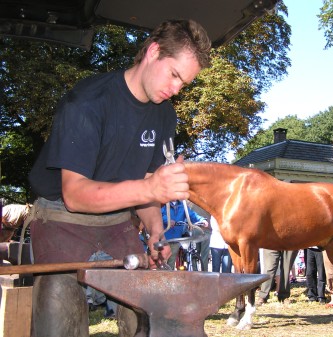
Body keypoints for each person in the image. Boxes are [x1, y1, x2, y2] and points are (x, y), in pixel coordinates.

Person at [27, 19, 211, 337]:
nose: (177, 89)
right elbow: (75, 194)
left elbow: (146, 191)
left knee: (156, 314)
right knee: (60, 316)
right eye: (175, 75)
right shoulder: (87, 102)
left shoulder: (164, 114)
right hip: (60, 217)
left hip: (117, 225)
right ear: (153, 52)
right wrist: (150, 187)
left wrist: (156, 231)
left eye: (185, 83)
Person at [161, 200, 209, 270]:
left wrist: (202, 220)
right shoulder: (164, 204)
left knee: (171, 264)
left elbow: (192, 215)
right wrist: (168, 220)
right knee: (163, 263)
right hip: (165, 239)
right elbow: (159, 215)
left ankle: (168, 279)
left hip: (176, 239)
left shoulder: (183, 205)